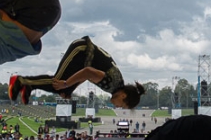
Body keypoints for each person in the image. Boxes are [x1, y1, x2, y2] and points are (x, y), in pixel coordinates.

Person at [8, 36, 145, 108]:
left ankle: (29, 86)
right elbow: (88, 71)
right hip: (81, 50)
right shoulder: (111, 84)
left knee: (63, 90)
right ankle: (21, 81)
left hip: (84, 58)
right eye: (123, 106)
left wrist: (69, 88)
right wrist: (66, 84)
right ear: (123, 96)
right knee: (58, 83)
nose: (118, 107)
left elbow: (87, 76)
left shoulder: (115, 86)